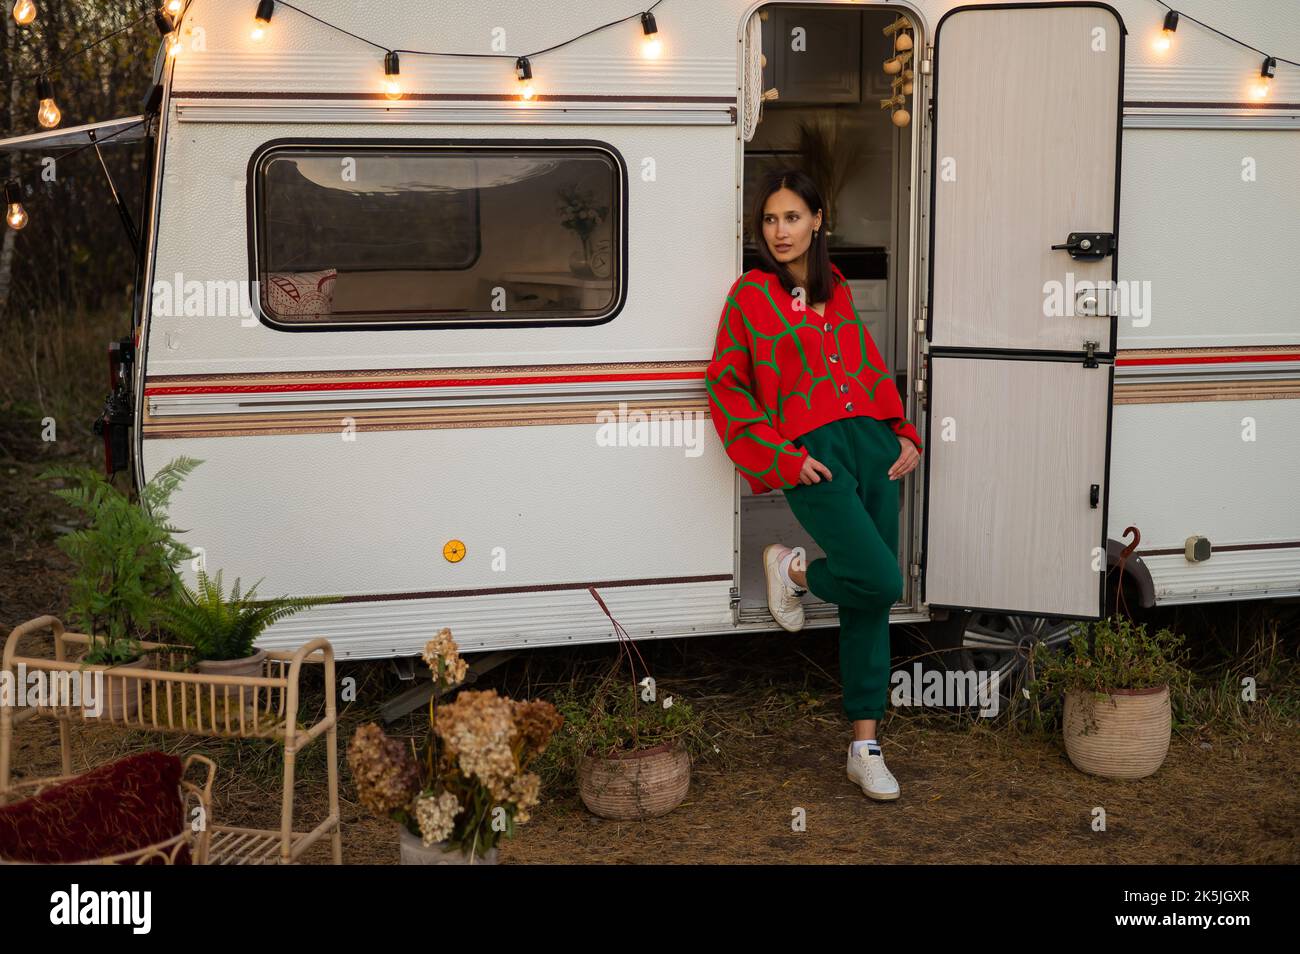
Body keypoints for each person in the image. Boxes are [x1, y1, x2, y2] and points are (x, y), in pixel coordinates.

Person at [704, 168, 923, 801]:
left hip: (874, 449)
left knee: (871, 601)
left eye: (792, 217)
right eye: (769, 220)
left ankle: (865, 745)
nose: (780, 231)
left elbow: (870, 366)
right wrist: (777, 456)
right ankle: (792, 571)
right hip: (813, 456)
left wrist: (901, 432)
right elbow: (726, 384)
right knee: (883, 577)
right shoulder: (750, 296)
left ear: (818, 220)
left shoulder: (841, 289)